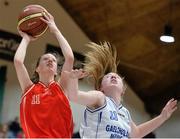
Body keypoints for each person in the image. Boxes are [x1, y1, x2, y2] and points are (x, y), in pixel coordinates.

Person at [65, 41, 178, 138]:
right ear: (101, 88)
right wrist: (73, 79)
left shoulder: (125, 113)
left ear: (123, 90)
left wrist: (162, 117)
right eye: (108, 77)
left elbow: (137, 134)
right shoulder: (100, 98)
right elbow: (74, 96)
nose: (113, 77)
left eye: (117, 77)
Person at [14, 9, 74, 138]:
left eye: (53, 60)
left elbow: (69, 58)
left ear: (57, 71)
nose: (50, 61)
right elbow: (18, 62)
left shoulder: (62, 88)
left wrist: (55, 30)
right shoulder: (29, 88)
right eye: (45, 59)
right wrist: (26, 39)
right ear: (37, 69)